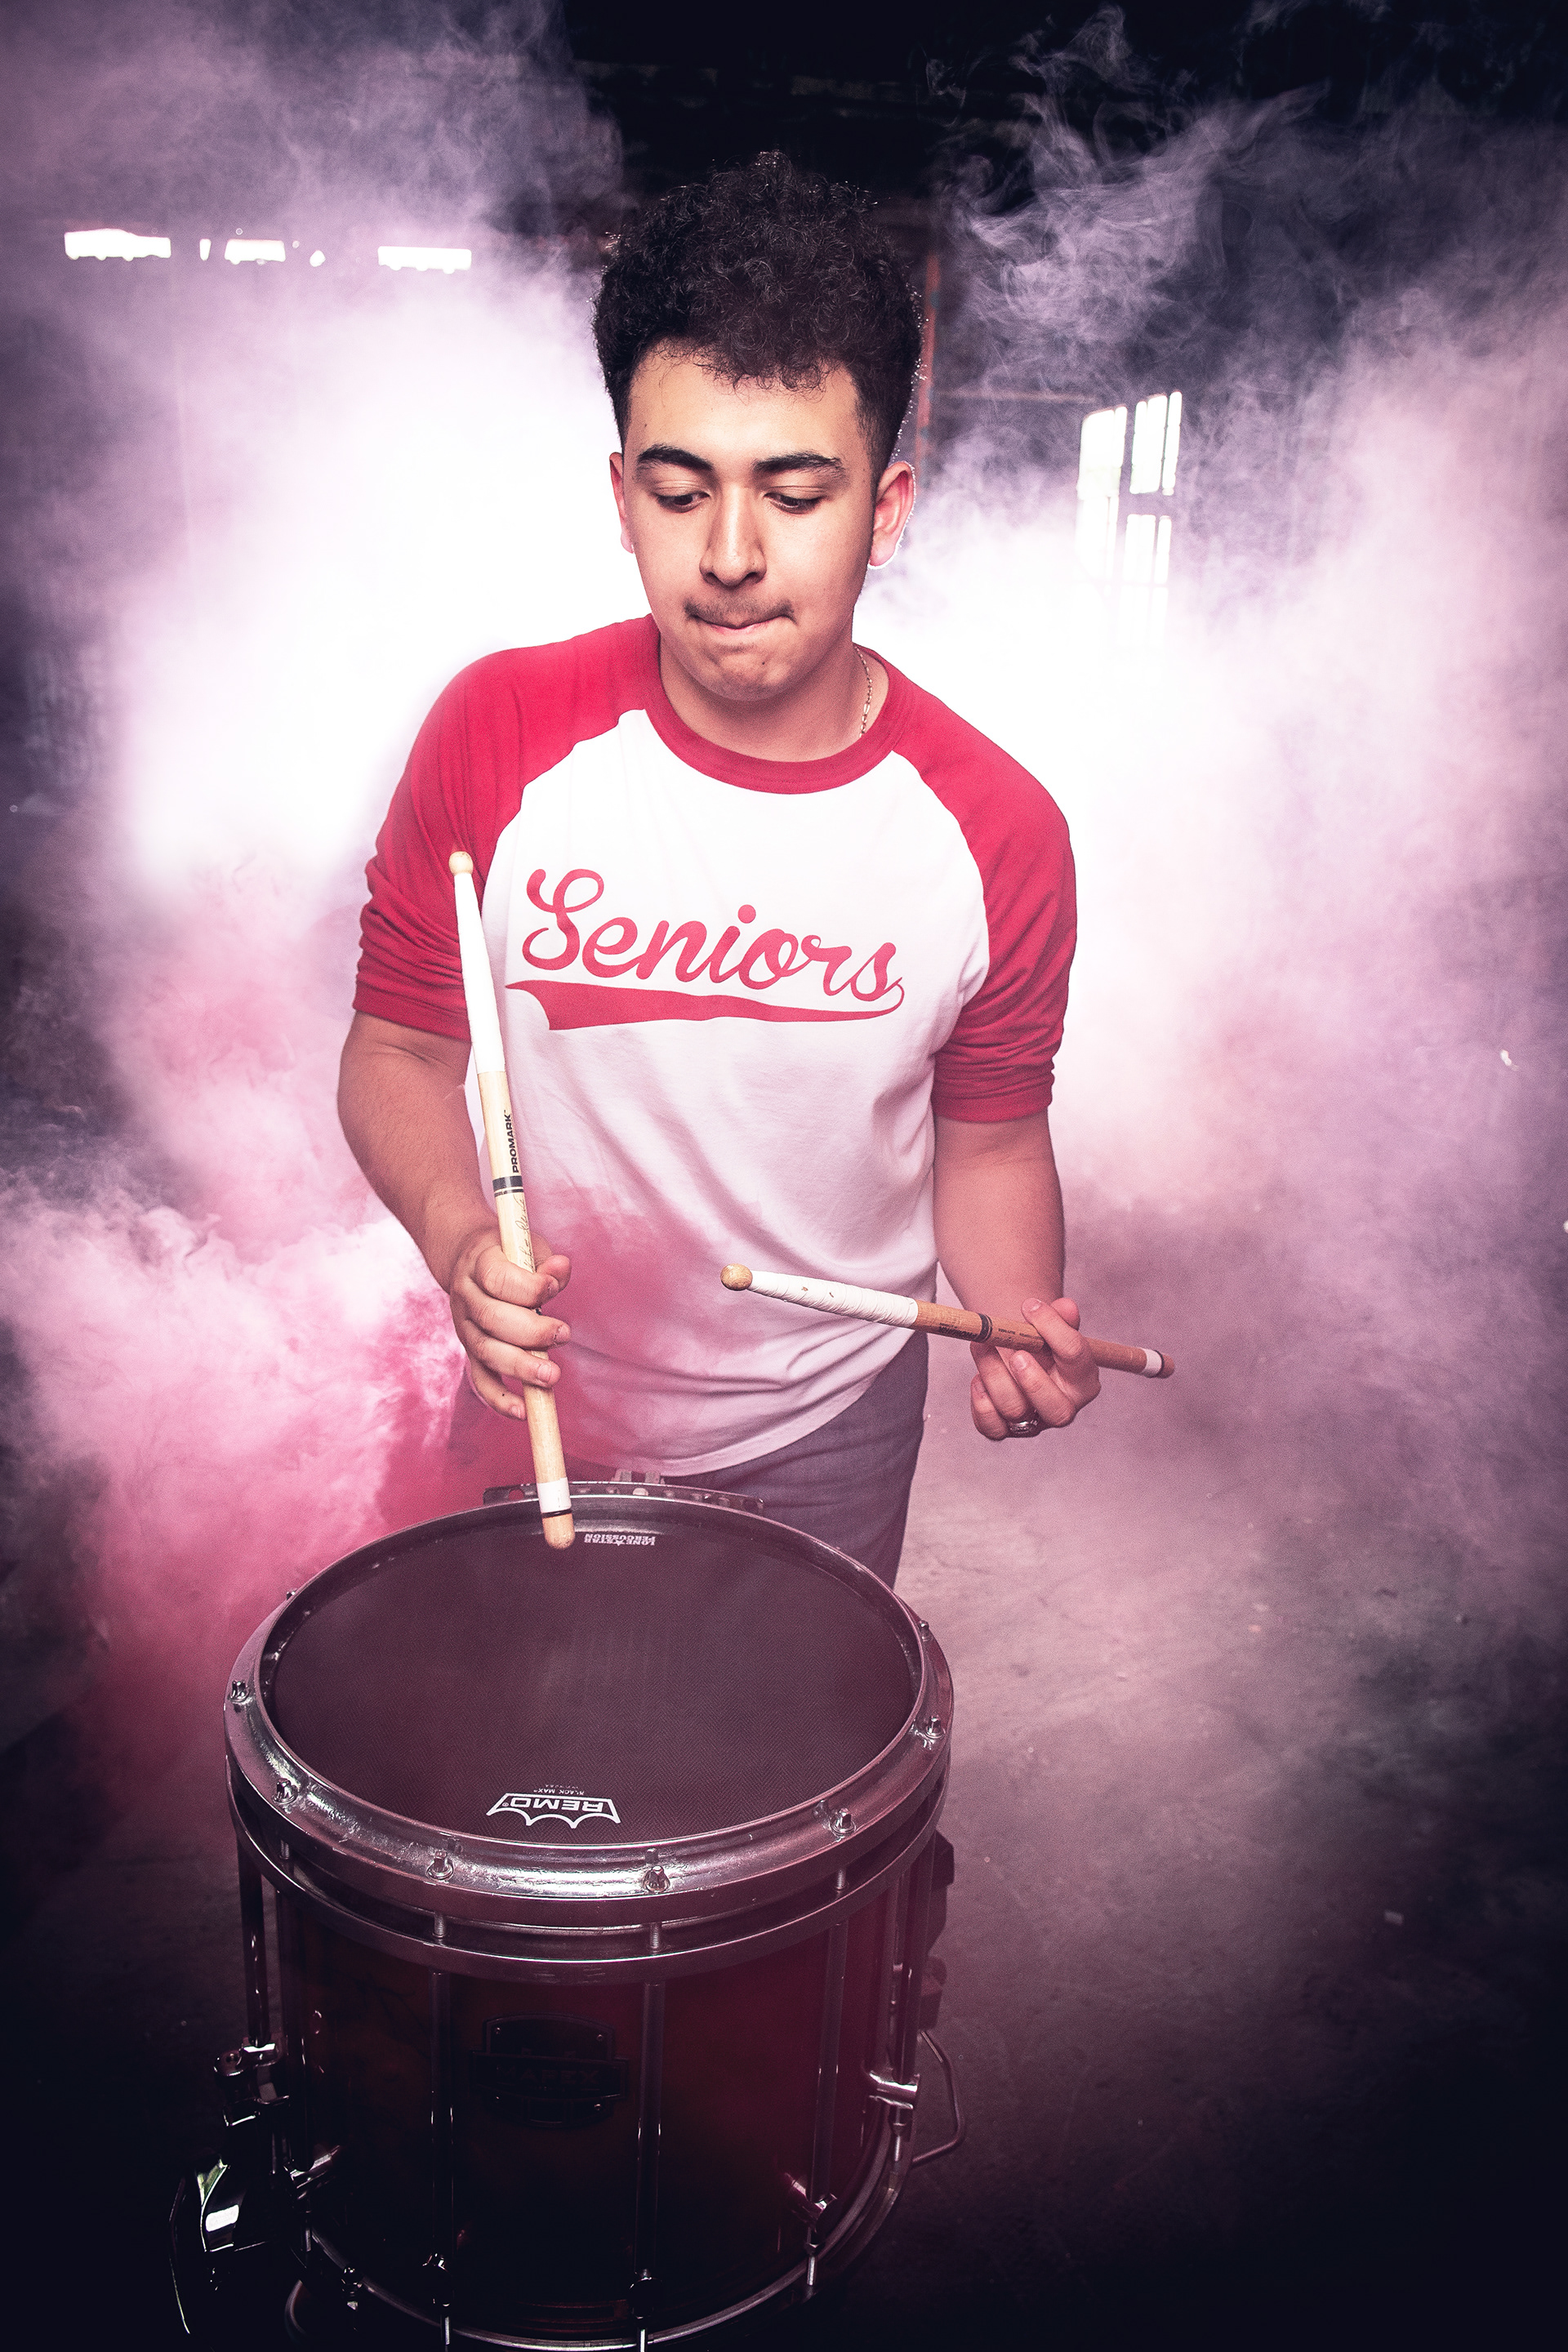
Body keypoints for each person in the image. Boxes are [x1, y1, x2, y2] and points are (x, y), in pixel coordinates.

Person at [339, 153, 1098, 1587]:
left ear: (887, 507)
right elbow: (396, 1052)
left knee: (794, 1733)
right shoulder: (497, 732)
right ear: (622, 496)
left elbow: (992, 1140)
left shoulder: (998, 831)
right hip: (538, 1394)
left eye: (794, 495)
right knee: (512, 1726)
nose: (731, 556)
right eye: (681, 492)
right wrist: (458, 1245)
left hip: (829, 1424)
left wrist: (1013, 1315)